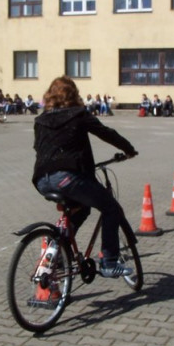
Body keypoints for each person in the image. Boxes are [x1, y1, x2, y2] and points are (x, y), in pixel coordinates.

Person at [32, 76, 138, 278]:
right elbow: (106, 133)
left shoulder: (40, 119)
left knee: (81, 210)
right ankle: (109, 262)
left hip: (42, 180)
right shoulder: (78, 114)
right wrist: (128, 149)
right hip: (68, 177)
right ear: (74, 94)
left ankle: (59, 254)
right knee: (111, 208)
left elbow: (38, 148)